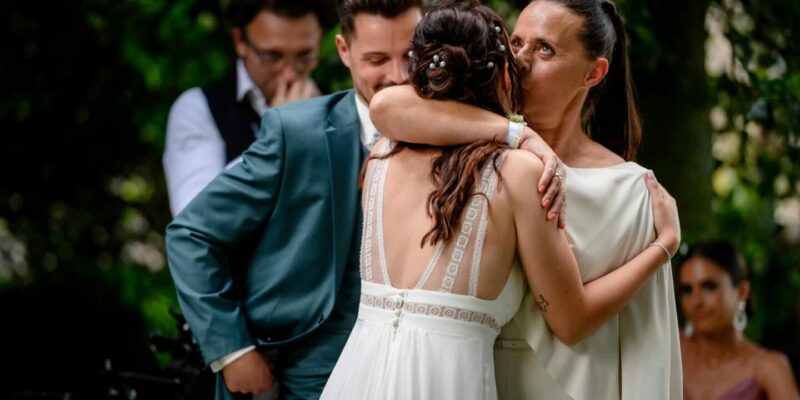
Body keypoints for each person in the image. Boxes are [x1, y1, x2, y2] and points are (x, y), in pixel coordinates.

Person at [320, 2, 681, 399]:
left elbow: (636, 341)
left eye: (545, 49)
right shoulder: (503, 161)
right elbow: (385, 108)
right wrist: (516, 133)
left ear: (593, 72)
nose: (522, 60)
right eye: (516, 43)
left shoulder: (384, 156)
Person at [165, 1, 430, 398]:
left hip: (419, 371)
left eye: (411, 56)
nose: (398, 75)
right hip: (303, 374)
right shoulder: (298, 129)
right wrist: (233, 350)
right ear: (344, 51)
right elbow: (191, 231)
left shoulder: (458, 132)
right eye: (377, 58)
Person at [163, 0, 336, 216]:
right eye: (271, 56)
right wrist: (276, 139)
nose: (289, 74)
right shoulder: (199, 108)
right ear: (240, 41)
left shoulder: (337, 110)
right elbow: (193, 217)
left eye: (304, 56)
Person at [679, 240, 799, 399]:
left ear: (742, 291)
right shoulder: (672, 350)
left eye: (709, 287)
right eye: (687, 290)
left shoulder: (768, 368)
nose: (696, 302)